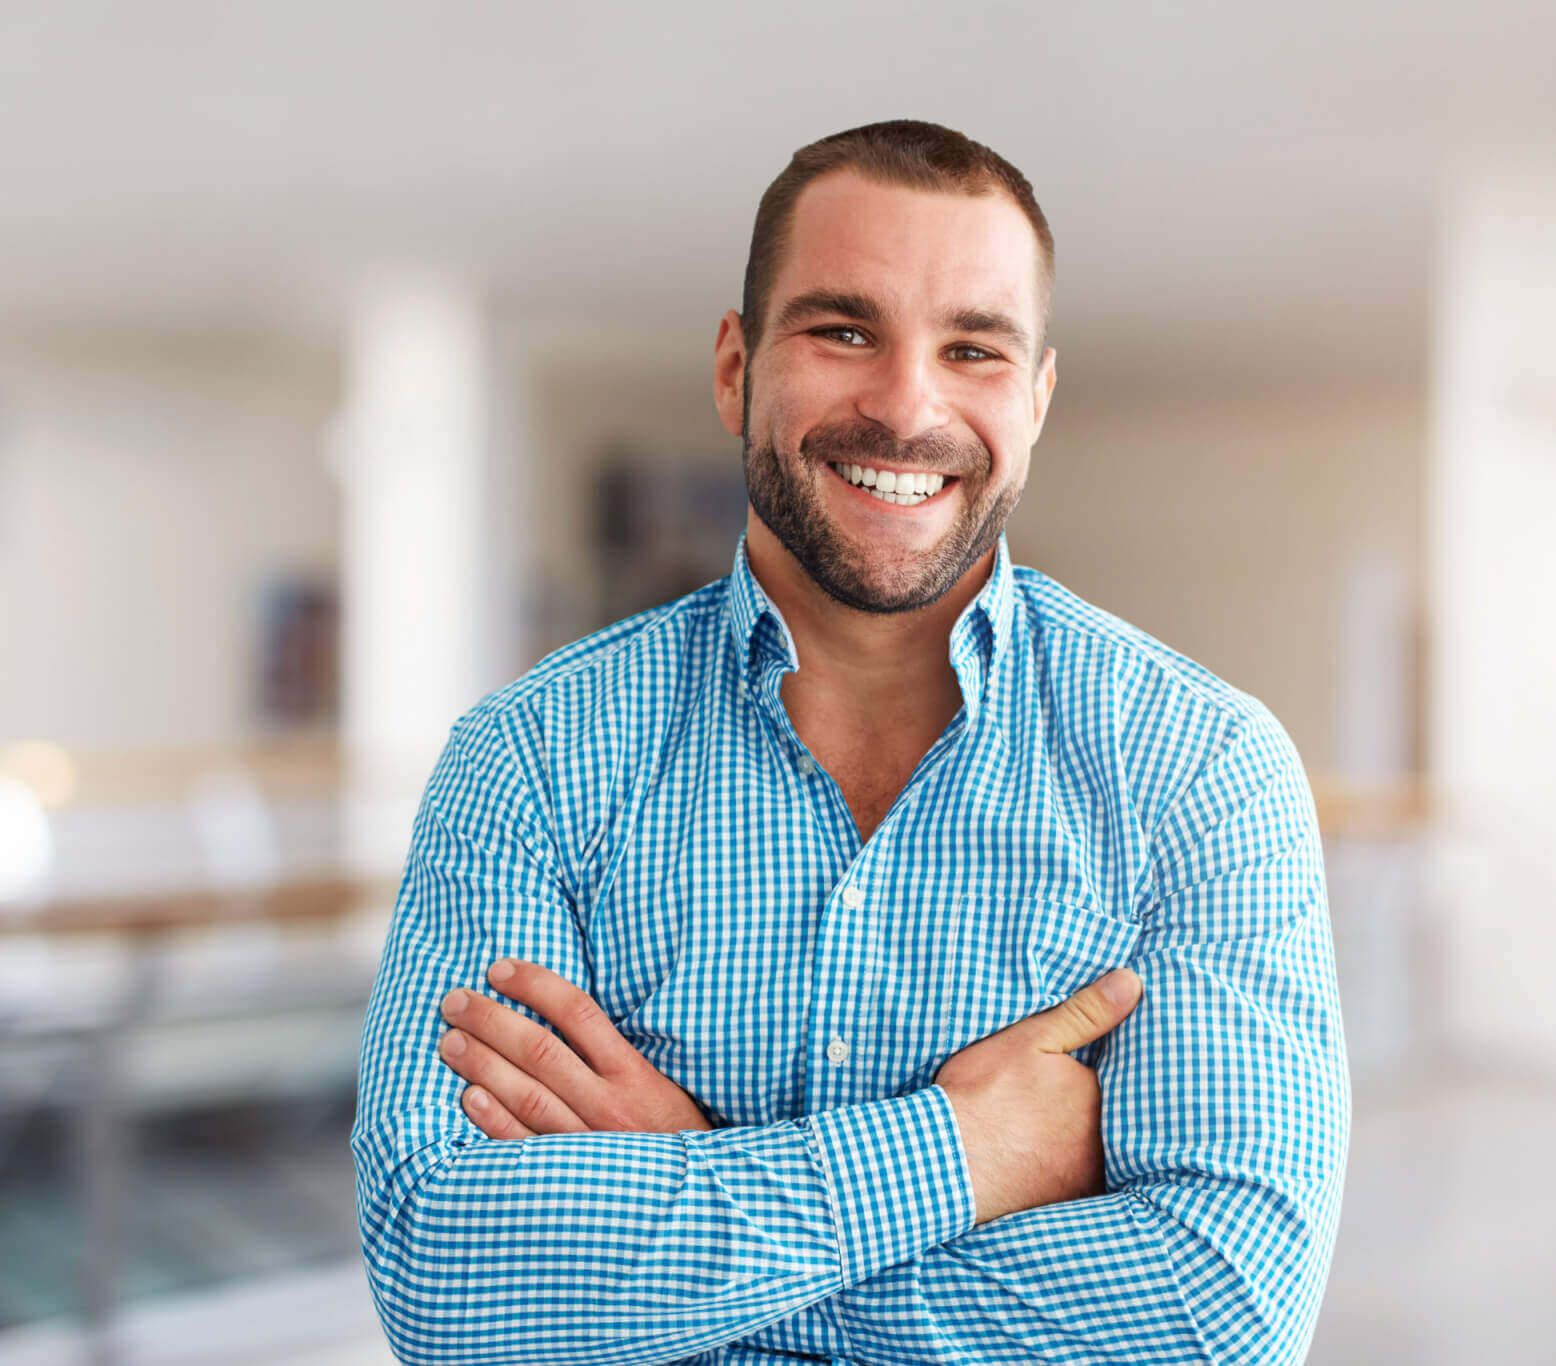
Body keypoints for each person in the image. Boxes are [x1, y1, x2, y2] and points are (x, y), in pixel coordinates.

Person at [350, 119, 1349, 1366]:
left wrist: (691, 1194)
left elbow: (1222, 1309)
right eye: (842, 330)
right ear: (734, 368)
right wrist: (967, 1150)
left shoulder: (1197, 768)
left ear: (1033, 402)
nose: (904, 405)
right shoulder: (531, 758)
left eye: (971, 348)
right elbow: (446, 1276)